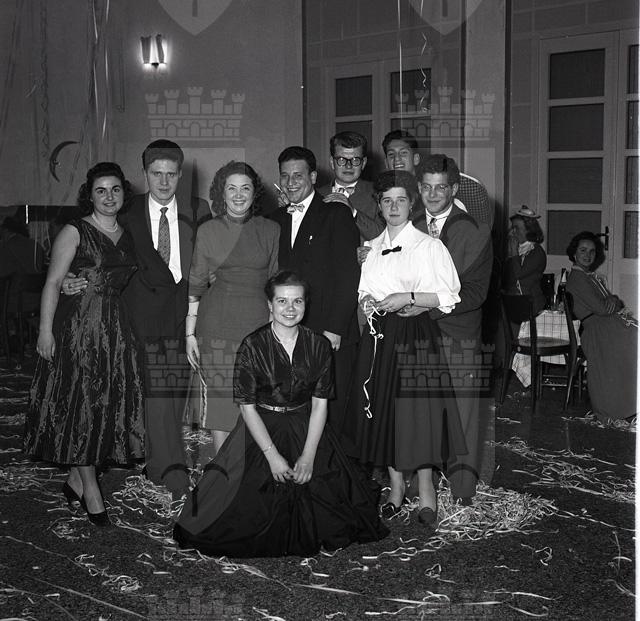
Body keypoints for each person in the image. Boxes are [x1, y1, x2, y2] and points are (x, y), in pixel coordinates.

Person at [173, 271, 389, 557]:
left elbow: (320, 406)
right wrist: (272, 456)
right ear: (270, 305)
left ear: (306, 305)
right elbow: (247, 407)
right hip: (261, 428)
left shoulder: (319, 345)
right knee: (228, 515)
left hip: (306, 426)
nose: (290, 308)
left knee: (338, 509)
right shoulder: (252, 345)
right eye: (282, 301)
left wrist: (309, 456)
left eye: (297, 301)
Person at [62, 140, 209, 499]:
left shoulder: (199, 208)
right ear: (144, 174)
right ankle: (168, 470)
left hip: (185, 314)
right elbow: (89, 245)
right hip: (138, 314)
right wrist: (68, 277)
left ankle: (152, 462)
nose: (164, 182)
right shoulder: (125, 211)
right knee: (150, 395)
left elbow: (211, 257)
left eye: (171, 174)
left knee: (173, 393)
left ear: (181, 174)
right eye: (156, 174)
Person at [24, 162, 145, 526]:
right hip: (78, 327)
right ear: (89, 195)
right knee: (83, 407)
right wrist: (45, 331)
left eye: (115, 189)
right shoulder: (75, 230)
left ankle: (76, 481)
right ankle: (91, 490)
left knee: (105, 405)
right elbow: (52, 282)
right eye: (100, 190)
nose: (108, 197)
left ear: (124, 193)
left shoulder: (127, 233)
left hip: (114, 329)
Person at [345, 170, 466, 530]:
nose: (394, 206)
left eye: (400, 199)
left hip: (414, 334)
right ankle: (396, 488)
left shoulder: (429, 246)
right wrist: (368, 303)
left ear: (411, 203)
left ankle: (426, 490)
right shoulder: (371, 248)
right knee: (384, 412)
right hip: (379, 337)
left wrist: (408, 298)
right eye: (387, 200)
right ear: (379, 206)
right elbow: (363, 291)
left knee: (417, 413)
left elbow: (449, 295)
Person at [401, 155, 493, 505]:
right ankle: (419, 483)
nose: (433, 194)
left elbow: (475, 292)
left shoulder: (474, 229)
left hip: (458, 333)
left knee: (462, 414)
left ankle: (462, 491)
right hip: (417, 333)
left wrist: (427, 307)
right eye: (426, 187)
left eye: (441, 187)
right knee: (419, 411)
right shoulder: (409, 225)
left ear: (454, 189)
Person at [185, 161, 279, 453]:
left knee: (257, 398)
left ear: (254, 193)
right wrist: (189, 334)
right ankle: (222, 471)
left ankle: (252, 469)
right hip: (216, 324)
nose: (239, 195)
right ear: (221, 193)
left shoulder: (271, 229)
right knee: (221, 399)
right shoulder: (208, 230)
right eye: (231, 189)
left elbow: (276, 282)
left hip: (259, 324)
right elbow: (196, 284)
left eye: (245, 188)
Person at [270, 146, 361, 435]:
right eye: (285, 176)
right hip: (290, 331)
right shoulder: (275, 218)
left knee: (332, 416)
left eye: (298, 175)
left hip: (329, 332)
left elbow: (348, 275)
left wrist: (335, 328)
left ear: (312, 177)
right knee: (297, 411)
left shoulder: (335, 213)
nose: (291, 182)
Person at [565, 232, 637, 423]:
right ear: (574, 253)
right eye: (583, 250)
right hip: (598, 330)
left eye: (592, 251)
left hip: (607, 326)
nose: (587, 255)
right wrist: (612, 299)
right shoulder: (577, 278)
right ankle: (620, 407)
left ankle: (630, 403)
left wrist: (612, 299)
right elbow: (603, 309)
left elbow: (609, 305)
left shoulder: (588, 277)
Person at [382, 129, 493, 228]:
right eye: (391, 155)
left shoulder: (434, 196)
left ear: (416, 159)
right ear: (386, 163)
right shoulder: (382, 197)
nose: (397, 159)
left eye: (403, 153)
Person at [317, 131, 383, 241]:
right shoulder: (317, 195)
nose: (348, 166)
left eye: (355, 160)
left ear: (364, 163)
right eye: (341, 160)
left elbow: (383, 237)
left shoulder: (378, 193)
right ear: (332, 162)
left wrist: (353, 212)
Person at [504, 206, 547, 315]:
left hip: (531, 305)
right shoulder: (514, 249)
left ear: (529, 230)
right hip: (512, 303)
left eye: (516, 228)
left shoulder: (536, 252)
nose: (512, 232)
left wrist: (514, 253)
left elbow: (518, 274)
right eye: (512, 228)